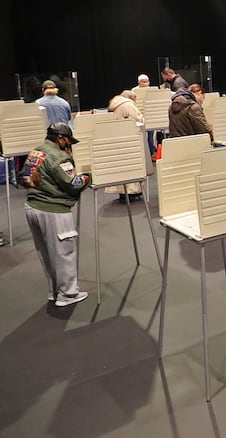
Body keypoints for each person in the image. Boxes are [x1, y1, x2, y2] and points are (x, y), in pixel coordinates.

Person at [21, 122, 92, 307]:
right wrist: (87, 176)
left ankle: (54, 291)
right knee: (64, 253)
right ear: (60, 138)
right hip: (53, 211)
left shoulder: (35, 152)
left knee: (46, 253)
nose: (68, 145)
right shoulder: (59, 157)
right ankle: (67, 294)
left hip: (32, 207)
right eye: (67, 141)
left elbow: (24, 178)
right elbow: (73, 183)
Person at [107, 90, 144, 201]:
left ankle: (122, 193)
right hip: (129, 138)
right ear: (131, 98)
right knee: (131, 166)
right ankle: (131, 192)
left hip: (116, 139)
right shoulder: (128, 105)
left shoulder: (114, 104)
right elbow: (138, 119)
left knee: (120, 167)